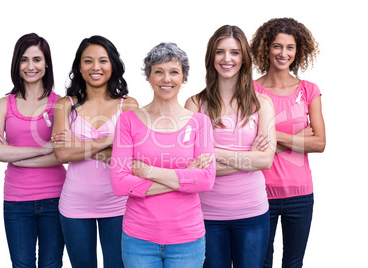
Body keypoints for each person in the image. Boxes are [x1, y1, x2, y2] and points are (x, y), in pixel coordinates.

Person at [110, 42, 216, 268]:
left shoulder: (200, 122)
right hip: (139, 238)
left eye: (174, 72)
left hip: (187, 239)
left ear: (184, 78)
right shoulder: (128, 121)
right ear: (148, 77)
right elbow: (119, 184)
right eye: (158, 71)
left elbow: (206, 180)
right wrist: (186, 175)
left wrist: (149, 172)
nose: (166, 79)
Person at [185, 25, 276, 268]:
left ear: (244, 58)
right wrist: (249, 160)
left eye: (235, 52)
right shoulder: (194, 104)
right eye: (220, 52)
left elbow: (266, 161)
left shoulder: (262, 104)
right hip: (206, 215)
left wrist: (211, 154)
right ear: (210, 57)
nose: (227, 59)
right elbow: (190, 166)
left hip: (252, 213)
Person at [50, 35, 138, 268]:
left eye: (103, 60)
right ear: (79, 66)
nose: (95, 67)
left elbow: (128, 159)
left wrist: (78, 147)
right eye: (88, 61)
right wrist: (110, 139)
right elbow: (62, 155)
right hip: (75, 204)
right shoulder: (65, 104)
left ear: (113, 65)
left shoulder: (128, 105)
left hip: (119, 202)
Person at [0, 33, 66, 268]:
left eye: (37, 59)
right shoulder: (4, 104)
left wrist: (13, 154)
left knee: (51, 265)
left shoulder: (60, 104)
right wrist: (44, 148)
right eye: (24, 59)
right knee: (22, 265)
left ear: (46, 63)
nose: (30, 66)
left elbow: (62, 154)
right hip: (16, 201)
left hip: (56, 198)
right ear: (16, 64)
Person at [250, 18, 326, 268]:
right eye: (277, 46)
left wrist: (273, 136)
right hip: (260, 192)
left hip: (301, 194)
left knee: (293, 263)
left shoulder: (308, 90)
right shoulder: (251, 91)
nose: (284, 53)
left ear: (298, 50)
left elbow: (319, 143)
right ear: (266, 48)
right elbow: (249, 144)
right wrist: (298, 137)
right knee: (261, 262)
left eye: (290, 47)